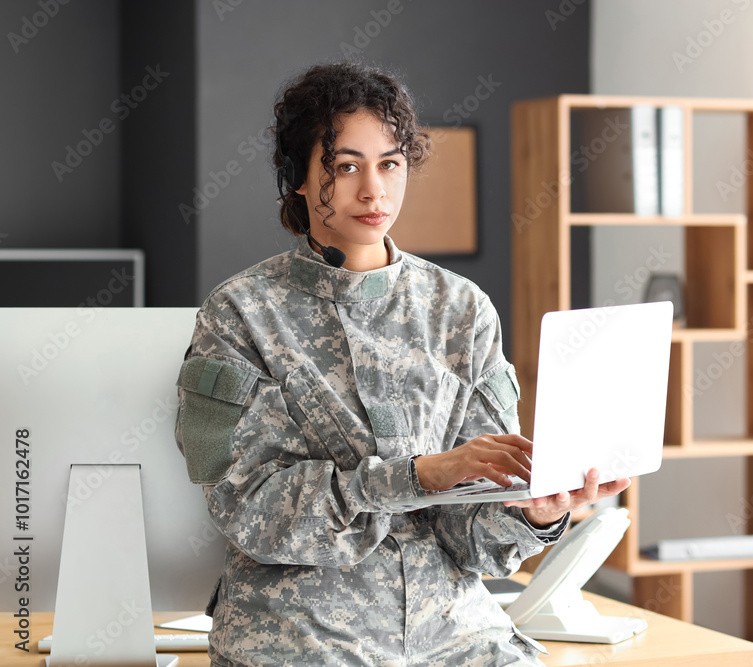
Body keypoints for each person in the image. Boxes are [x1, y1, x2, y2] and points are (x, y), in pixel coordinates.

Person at [173, 61, 630, 667]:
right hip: (302, 638)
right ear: (298, 179)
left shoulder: (463, 309)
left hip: (456, 635)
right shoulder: (240, 315)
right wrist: (417, 475)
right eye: (346, 166)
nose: (374, 190)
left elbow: (474, 543)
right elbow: (252, 508)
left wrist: (537, 517)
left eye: (390, 163)